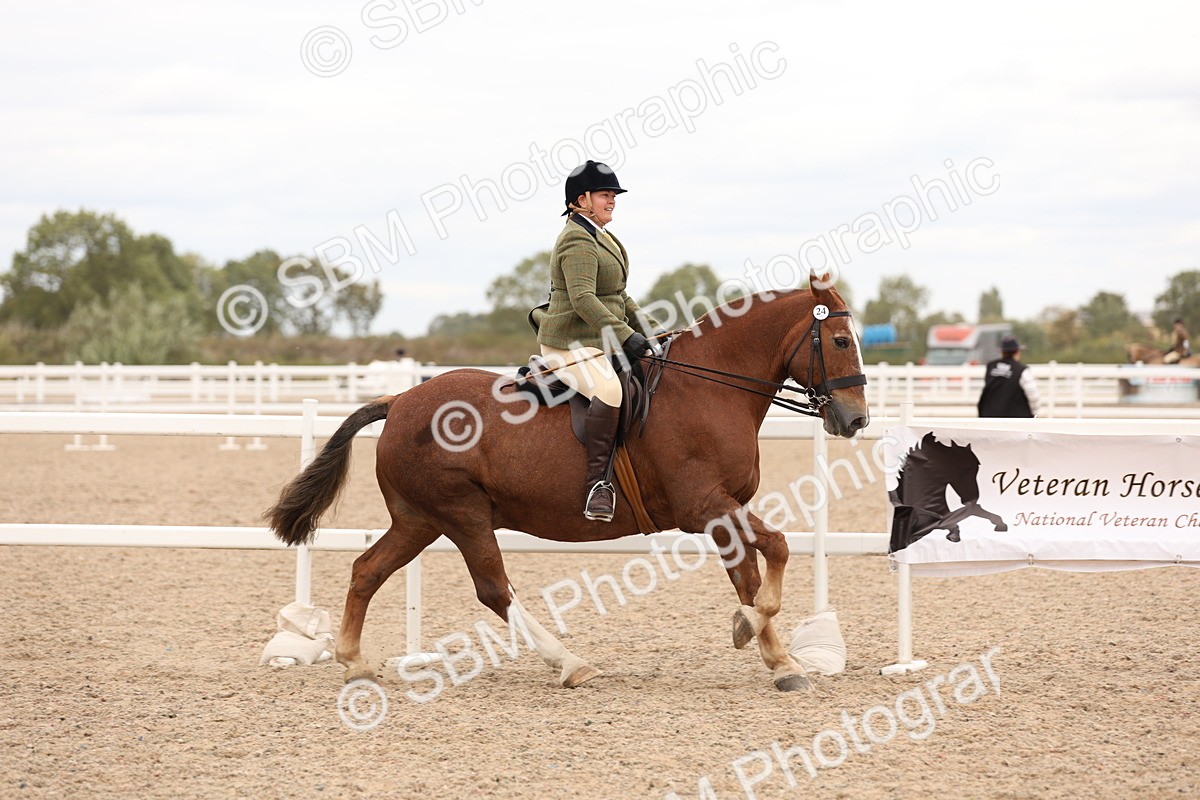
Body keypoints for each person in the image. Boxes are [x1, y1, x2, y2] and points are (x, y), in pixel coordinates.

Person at [527, 160, 663, 522]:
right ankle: (598, 486)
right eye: (605, 194)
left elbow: (620, 297)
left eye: (613, 194)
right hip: (570, 344)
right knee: (609, 390)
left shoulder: (604, 237)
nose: (612, 200)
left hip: (600, 341)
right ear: (580, 200)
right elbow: (584, 299)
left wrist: (654, 331)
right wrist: (625, 335)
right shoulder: (576, 239)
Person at [977, 335, 1040, 418]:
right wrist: (1035, 413)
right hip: (1015, 419)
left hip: (989, 417)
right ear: (1017, 352)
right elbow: (1033, 396)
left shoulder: (991, 367)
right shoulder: (1021, 370)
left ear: (1002, 352)